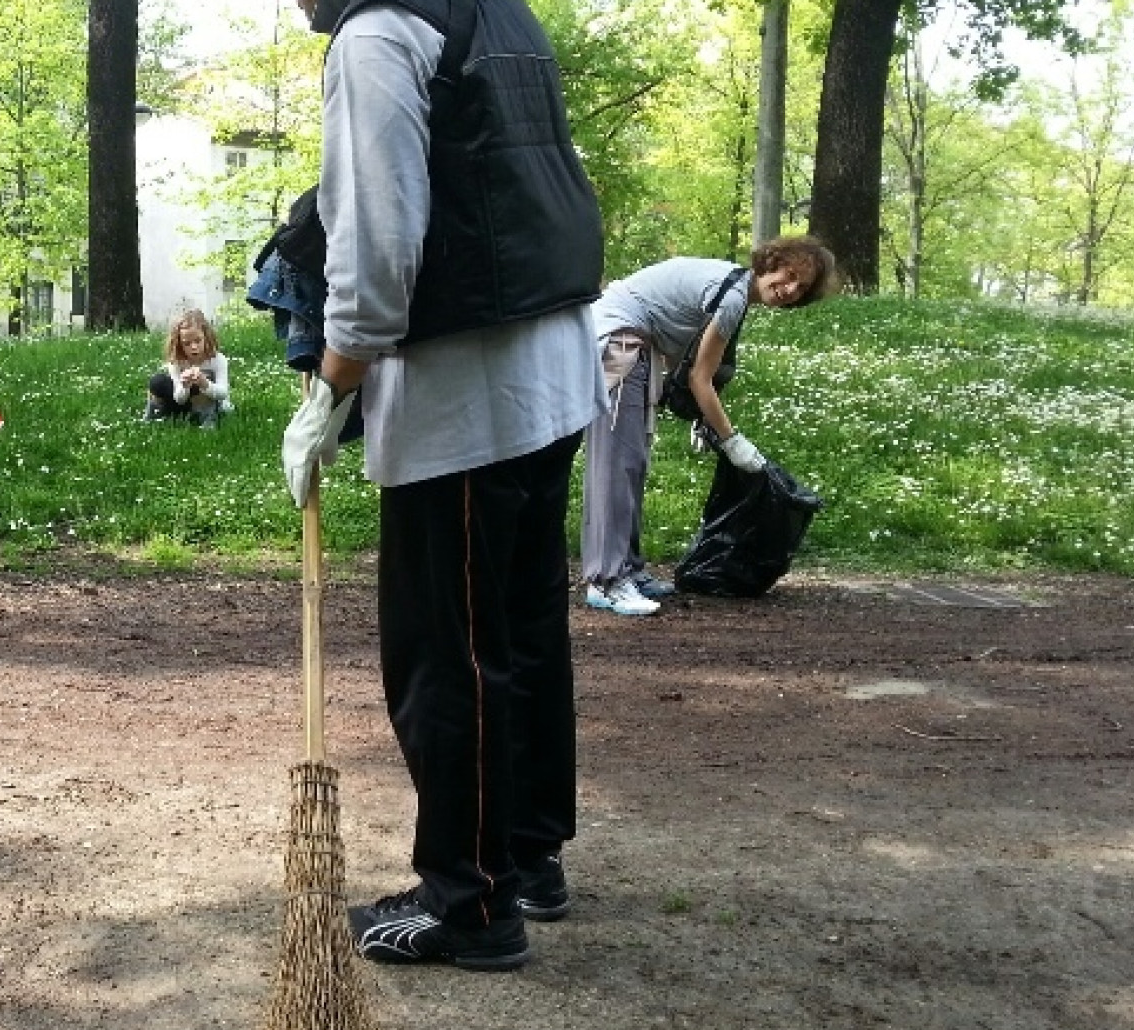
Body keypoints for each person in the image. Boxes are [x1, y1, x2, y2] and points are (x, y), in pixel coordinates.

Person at [281, 0, 607, 971]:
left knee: (448, 654)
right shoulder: (494, 12)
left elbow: (380, 242)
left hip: (465, 395)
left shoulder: (379, 33)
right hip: (554, 368)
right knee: (523, 631)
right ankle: (529, 858)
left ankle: (470, 902)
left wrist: (333, 387)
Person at [580, 239, 837, 616]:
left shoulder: (733, 290)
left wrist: (703, 418)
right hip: (618, 339)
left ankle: (628, 570)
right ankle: (606, 580)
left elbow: (686, 354)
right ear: (773, 262)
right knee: (617, 466)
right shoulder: (732, 297)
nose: (789, 289)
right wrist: (732, 441)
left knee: (632, 463)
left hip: (638, 344)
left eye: (801, 288)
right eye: (790, 275)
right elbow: (701, 379)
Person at [143, 309, 232, 428]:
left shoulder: (217, 360)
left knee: (208, 376)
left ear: (206, 337)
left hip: (216, 403)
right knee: (157, 382)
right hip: (185, 402)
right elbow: (179, 399)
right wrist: (184, 386)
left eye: (198, 341)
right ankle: (155, 414)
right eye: (187, 343)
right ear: (179, 344)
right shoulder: (176, 362)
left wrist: (205, 384)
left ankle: (208, 418)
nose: (194, 347)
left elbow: (223, 394)